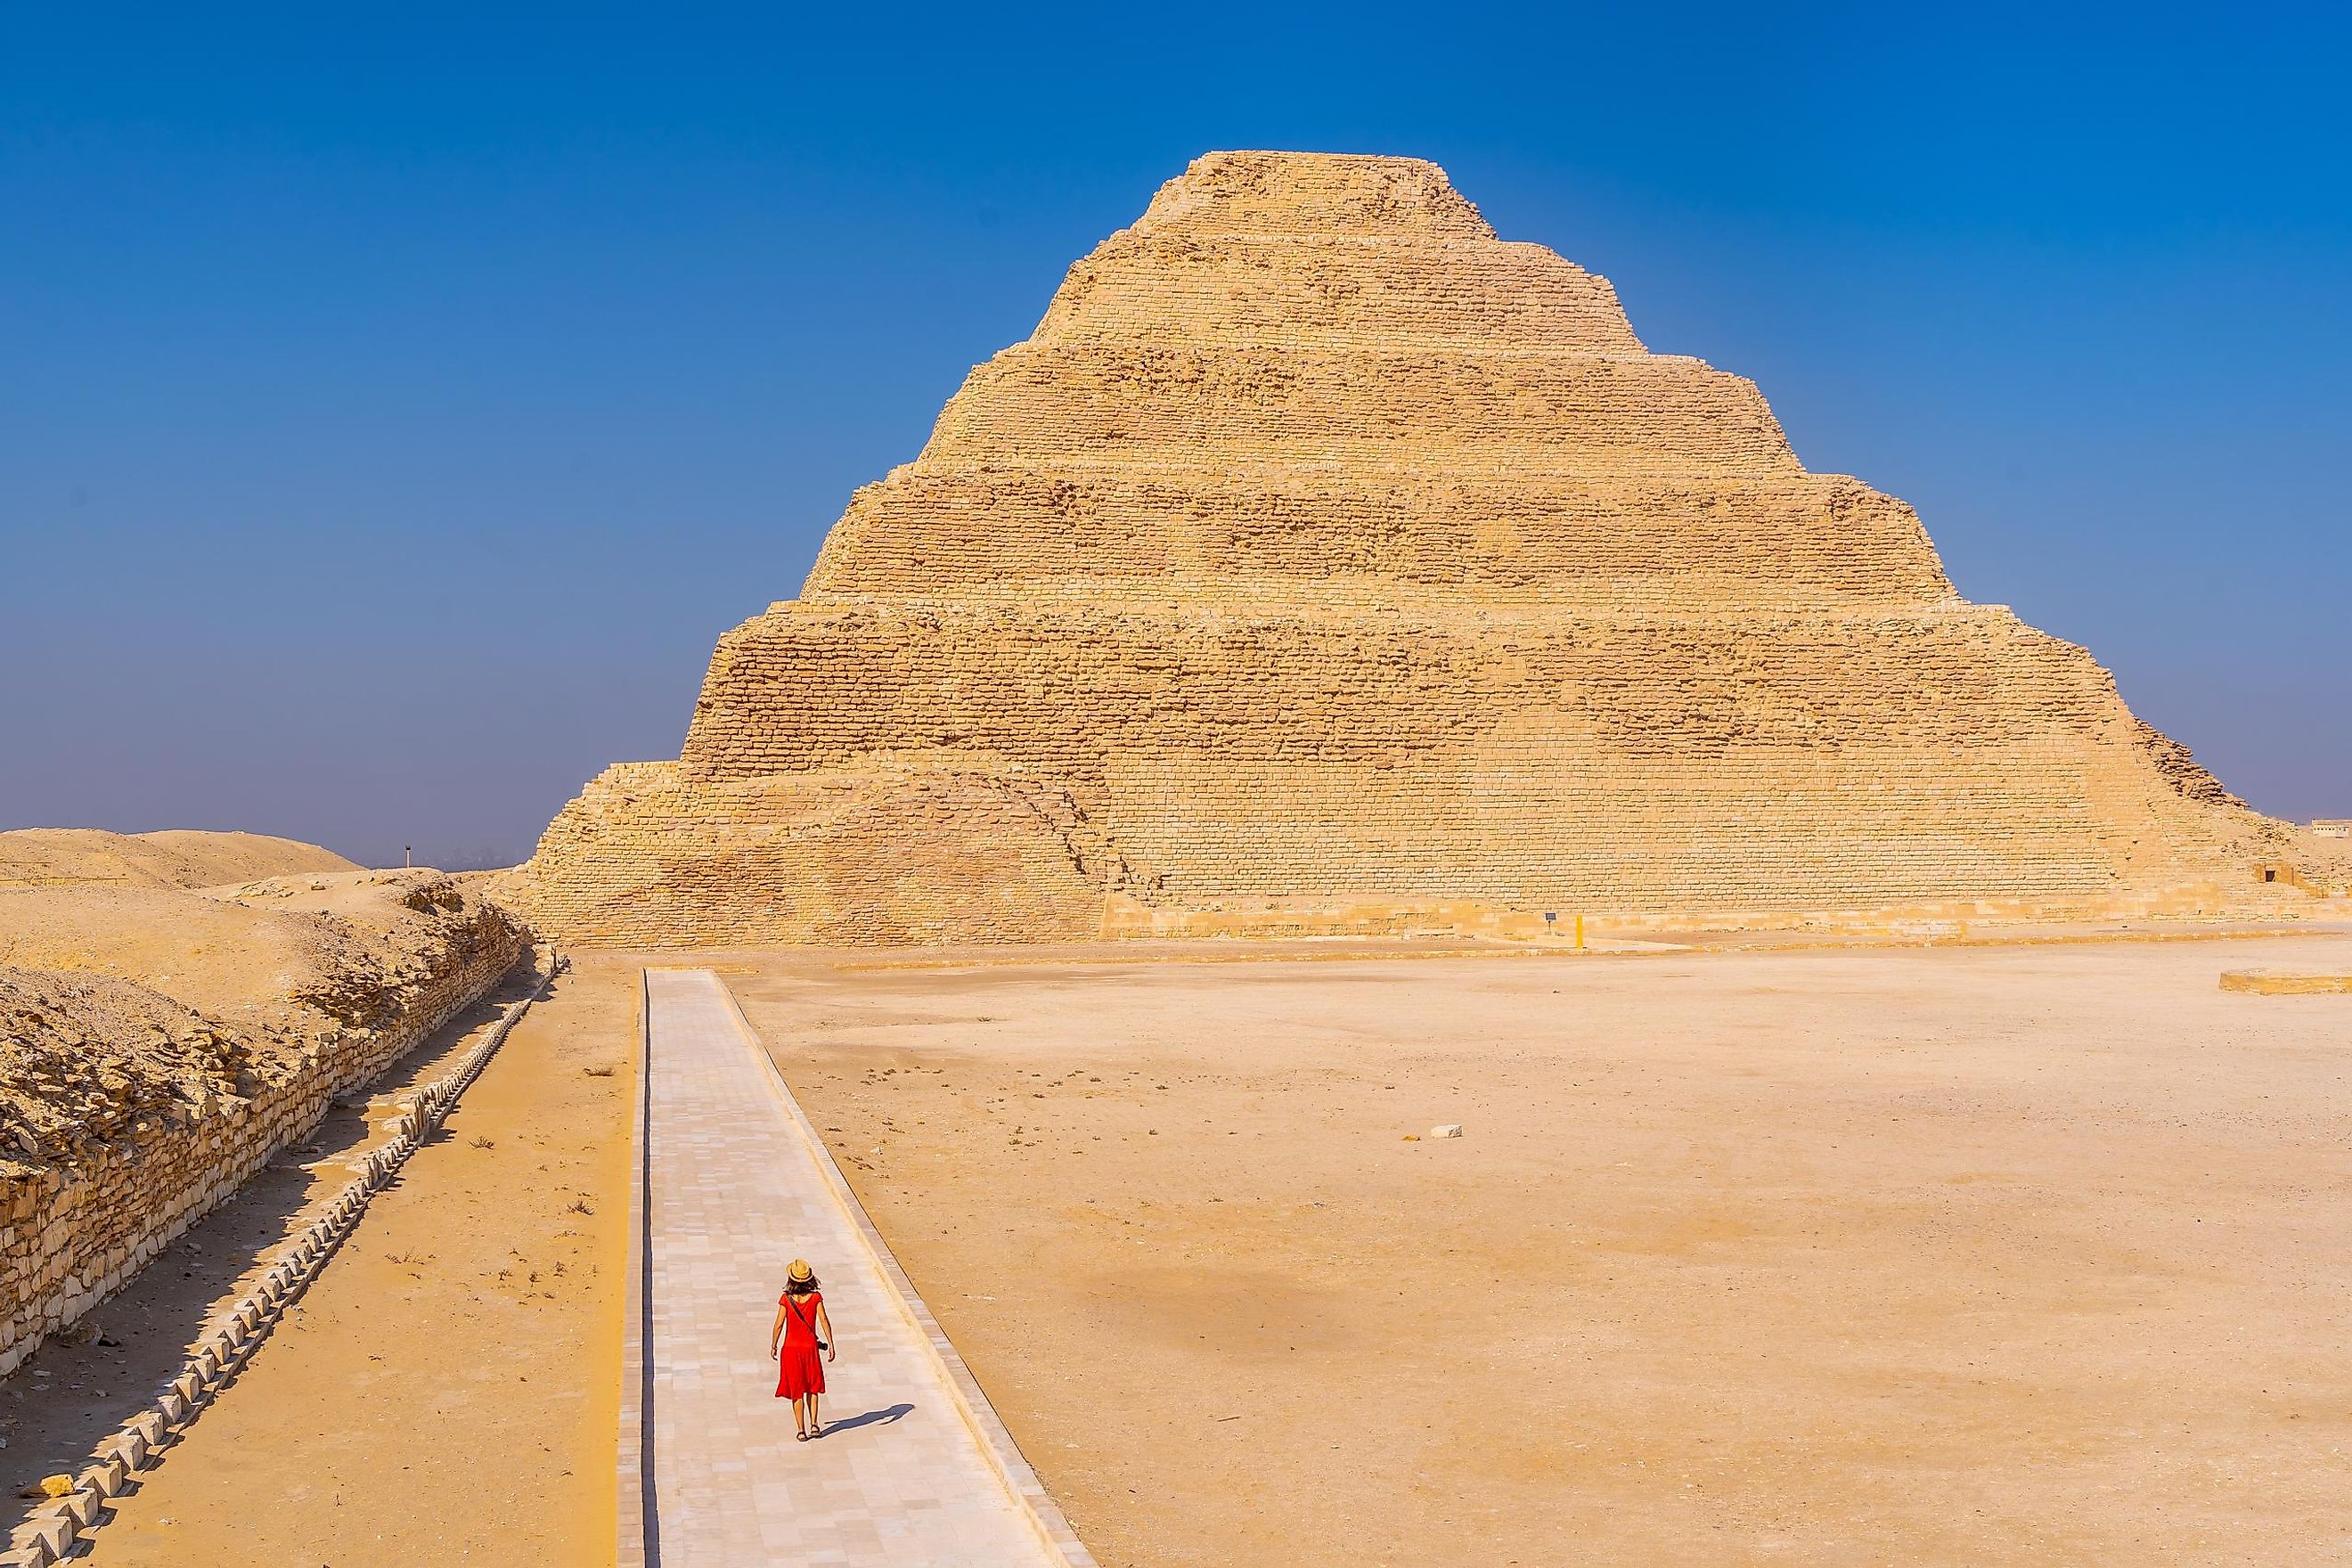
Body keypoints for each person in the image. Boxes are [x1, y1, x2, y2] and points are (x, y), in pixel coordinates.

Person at [771, 1258, 836, 1440]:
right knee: (812, 1388)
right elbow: (824, 1320)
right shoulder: (815, 1298)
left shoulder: (786, 1299)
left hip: (791, 1350)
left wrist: (774, 1345)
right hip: (810, 1349)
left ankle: (801, 1430)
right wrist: (830, 1343)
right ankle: (815, 1424)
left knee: (796, 1391)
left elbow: (778, 1325)